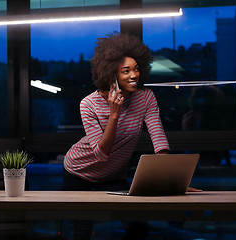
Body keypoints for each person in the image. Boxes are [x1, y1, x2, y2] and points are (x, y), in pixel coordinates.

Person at [62, 32, 166, 240]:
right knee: (82, 230)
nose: (134, 75)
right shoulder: (88, 104)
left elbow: (158, 136)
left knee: (138, 227)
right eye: (126, 71)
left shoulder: (146, 98)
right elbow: (101, 153)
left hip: (112, 176)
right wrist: (114, 114)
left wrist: (168, 177)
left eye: (136, 69)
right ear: (111, 74)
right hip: (78, 172)